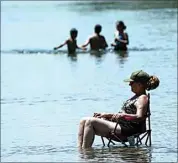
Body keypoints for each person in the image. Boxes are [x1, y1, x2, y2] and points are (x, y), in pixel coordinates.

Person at [78, 70, 159, 148]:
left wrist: (122, 116)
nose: (129, 84)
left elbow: (139, 117)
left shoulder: (142, 98)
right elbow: (122, 115)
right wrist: (107, 115)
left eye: (131, 82)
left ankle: (85, 154)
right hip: (120, 125)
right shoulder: (135, 96)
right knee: (83, 120)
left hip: (129, 130)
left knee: (90, 121)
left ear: (139, 84)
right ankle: (80, 151)